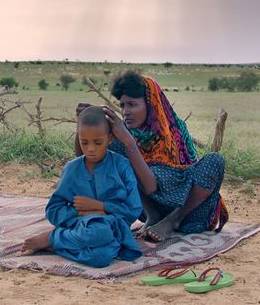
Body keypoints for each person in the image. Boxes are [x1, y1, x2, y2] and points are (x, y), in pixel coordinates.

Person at [77, 71, 228, 242]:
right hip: (151, 207)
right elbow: (86, 163)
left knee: (215, 161)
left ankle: (172, 221)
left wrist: (129, 141)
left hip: (191, 212)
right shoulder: (126, 137)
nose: (125, 111)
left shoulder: (174, 130)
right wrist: (83, 122)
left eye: (132, 104)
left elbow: (151, 187)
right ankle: (153, 216)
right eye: (122, 105)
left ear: (151, 104)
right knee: (114, 148)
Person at [21, 106, 142, 268]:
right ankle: (59, 239)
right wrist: (82, 212)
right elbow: (54, 210)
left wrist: (101, 207)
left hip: (114, 227)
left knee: (101, 257)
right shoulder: (72, 169)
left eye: (98, 142)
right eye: (84, 142)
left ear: (110, 139)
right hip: (81, 225)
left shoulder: (122, 166)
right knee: (99, 237)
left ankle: (54, 240)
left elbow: (134, 209)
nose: (90, 149)